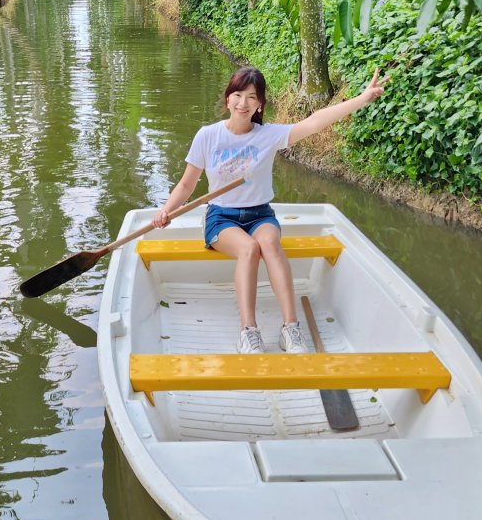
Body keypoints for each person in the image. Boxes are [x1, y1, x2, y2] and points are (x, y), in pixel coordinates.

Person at [152, 66, 388, 354]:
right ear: (227, 99)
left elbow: (315, 122)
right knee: (250, 249)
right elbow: (187, 185)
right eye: (237, 95)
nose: (243, 103)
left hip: (260, 214)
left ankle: (291, 329)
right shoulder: (208, 136)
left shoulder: (269, 135)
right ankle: (248, 332)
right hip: (221, 217)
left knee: (270, 245)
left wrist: (362, 99)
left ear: (260, 104)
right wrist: (166, 210)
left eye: (251, 97)